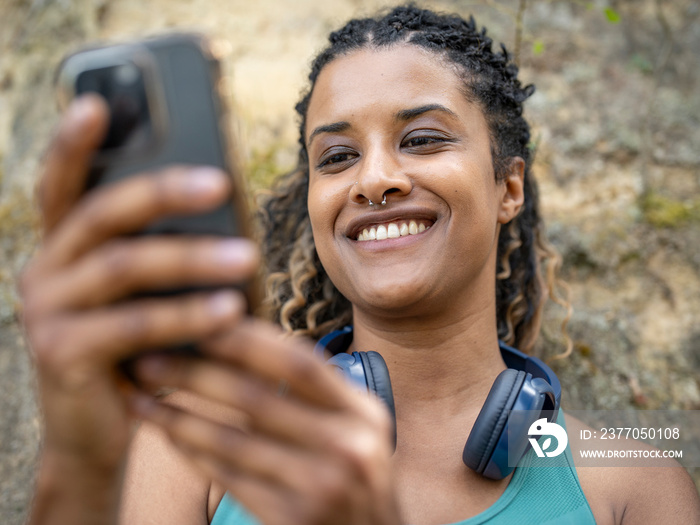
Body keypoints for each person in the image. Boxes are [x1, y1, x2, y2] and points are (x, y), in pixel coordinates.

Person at [21, 5, 700, 525]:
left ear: (509, 187)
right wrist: (77, 465)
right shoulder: (193, 443)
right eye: (338, 156)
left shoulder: (634, 485)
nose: (373, 179)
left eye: (423, 139)